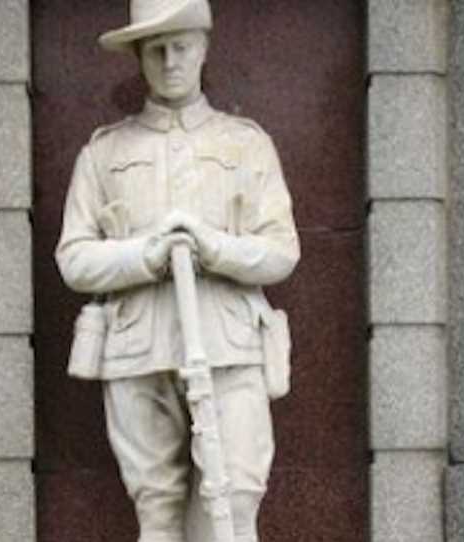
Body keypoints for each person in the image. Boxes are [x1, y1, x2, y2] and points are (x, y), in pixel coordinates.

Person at [55, 1, 300, 540]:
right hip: (137, 351)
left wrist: (213, 249)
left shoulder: (246, 144)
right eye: (156, 50)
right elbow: (74, 257)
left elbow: (282, 250)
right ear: (139, 57)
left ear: (204, 49)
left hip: (230, 346)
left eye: (181, 47)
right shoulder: (104, 153)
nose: (170, 61)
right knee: (158, 513)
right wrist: (146, 255)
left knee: (235, 502)